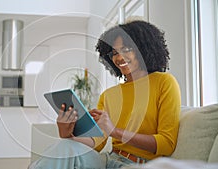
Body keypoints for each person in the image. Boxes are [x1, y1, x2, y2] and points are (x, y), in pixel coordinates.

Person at [29, 19, 181, 169]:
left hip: (139, 164)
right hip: (109, 161)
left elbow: (166, 144)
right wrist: (68, 135)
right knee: (66, 147)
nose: (119, 58)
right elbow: (96, 143)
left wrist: (115, 131)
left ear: (143, 49)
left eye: (127, 49)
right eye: (114, 52)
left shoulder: (164, 82)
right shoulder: (109, 95)